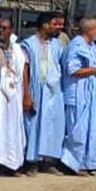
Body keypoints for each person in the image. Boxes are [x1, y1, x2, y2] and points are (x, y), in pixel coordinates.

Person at [60, 18, 96, 176]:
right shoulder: (76, 46)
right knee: (77, 130)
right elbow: (73, 70)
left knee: (94, 129)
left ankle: (90, 161)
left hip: (93, 96)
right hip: (78, 95)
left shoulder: (94, 48)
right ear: (89, 30)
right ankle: (73, 163)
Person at [21, 12, 66, 175]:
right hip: (36, 89)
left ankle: (49, 161)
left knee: (53, 125)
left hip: (54, 91)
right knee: (33, 125)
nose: (59, 27)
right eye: (56, 24)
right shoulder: (28, 44)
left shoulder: (57, 45)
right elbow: (24, 71)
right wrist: (26, 94)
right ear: (45, 25)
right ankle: (32, 162)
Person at [0, 18, 27, 175]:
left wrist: (27, 94)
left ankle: (12, 164)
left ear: (11, 30)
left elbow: (24, 71)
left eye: (5, 28)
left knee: (13, 128)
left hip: (15, 94)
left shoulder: (18, 49)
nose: (1, 31)